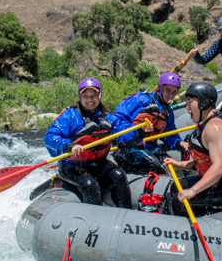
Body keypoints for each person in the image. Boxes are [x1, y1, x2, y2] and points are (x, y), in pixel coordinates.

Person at [44, 77, 146, 209]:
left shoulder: (107, 117)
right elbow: (51, 137)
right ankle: (94, 222)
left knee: (120, 176)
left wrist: (139, 132)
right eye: (85, 95)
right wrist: (69, 145)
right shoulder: (70, 115)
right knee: (89, 184)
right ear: (80, 97)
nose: (90, 99)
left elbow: (123, 133)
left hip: (99, 164)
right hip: (73, 165)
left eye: (94, 95)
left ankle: (125, 215)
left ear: (100, 95)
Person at [163, 82, 222, 216]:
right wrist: (178, 165)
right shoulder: (208, 123)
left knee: (180, 201)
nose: (187, 108)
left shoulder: (215, 127)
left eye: (190, 103)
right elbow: (205, 163)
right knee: (176, 186)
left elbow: (219, 167)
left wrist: (193, 190)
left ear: (204, 102)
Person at [113, 72, 190, 175]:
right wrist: (137, 134)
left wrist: (180, 143)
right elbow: (119, 118)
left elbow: (169, 133)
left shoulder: (168, 111)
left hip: (151, 147)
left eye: (174, 92)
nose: (171, 95)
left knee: (168, 163)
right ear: (160, 87)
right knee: (152, 164)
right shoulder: (141, 99)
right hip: (129, 146)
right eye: (168, 90)